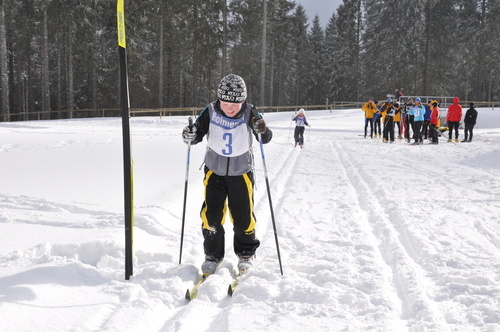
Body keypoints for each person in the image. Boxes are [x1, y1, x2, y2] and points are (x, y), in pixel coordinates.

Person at [181, 74, 273, 275]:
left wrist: (262, 129)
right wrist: (190, 134)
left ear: (243, 101)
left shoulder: (250, 111)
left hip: (241, 172)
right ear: (218, 99)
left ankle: (245, 253)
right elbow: (197, 132)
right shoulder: (210, 111)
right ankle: (212, 255)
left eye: (236, 104)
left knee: (243, 215)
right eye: (225, 103)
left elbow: (265, 137)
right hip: (214, 170)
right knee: (211, 215)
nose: (230, 108)